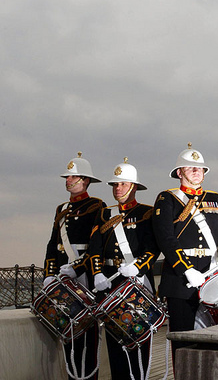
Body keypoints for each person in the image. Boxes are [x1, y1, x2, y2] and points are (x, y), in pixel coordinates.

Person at [152, 143, 218, 362]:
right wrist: (186, 269)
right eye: (190, 167)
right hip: (181, 282)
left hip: (213, 276)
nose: (196, 171)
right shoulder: (167, 199)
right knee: (183, 341)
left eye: (199, 168)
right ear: (179, 172)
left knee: (214, 338)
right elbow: (166, 239)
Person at [86, 157, 159, 380]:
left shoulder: (147, 213)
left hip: (137, 283)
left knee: (138, 342)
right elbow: (95, 248)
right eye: (115, 185)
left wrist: (138, 266)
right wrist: (97, 272)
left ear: (134, 186)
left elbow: (153, 248)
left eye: (123, 184)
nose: (118, 189)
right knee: (115, 342)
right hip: (110, 282)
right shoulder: (105, 213)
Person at [43, 152, 105, 380]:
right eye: (67, 178)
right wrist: (49, 274)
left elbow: (96, 246)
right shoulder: (61, 209)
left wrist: (78, 268)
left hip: (83, 276)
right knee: (67, 331)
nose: (68, 181)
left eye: (73, 177)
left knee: (86, 335)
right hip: (61, 275)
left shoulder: (97, 205)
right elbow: (52, 245)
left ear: (86, 180)